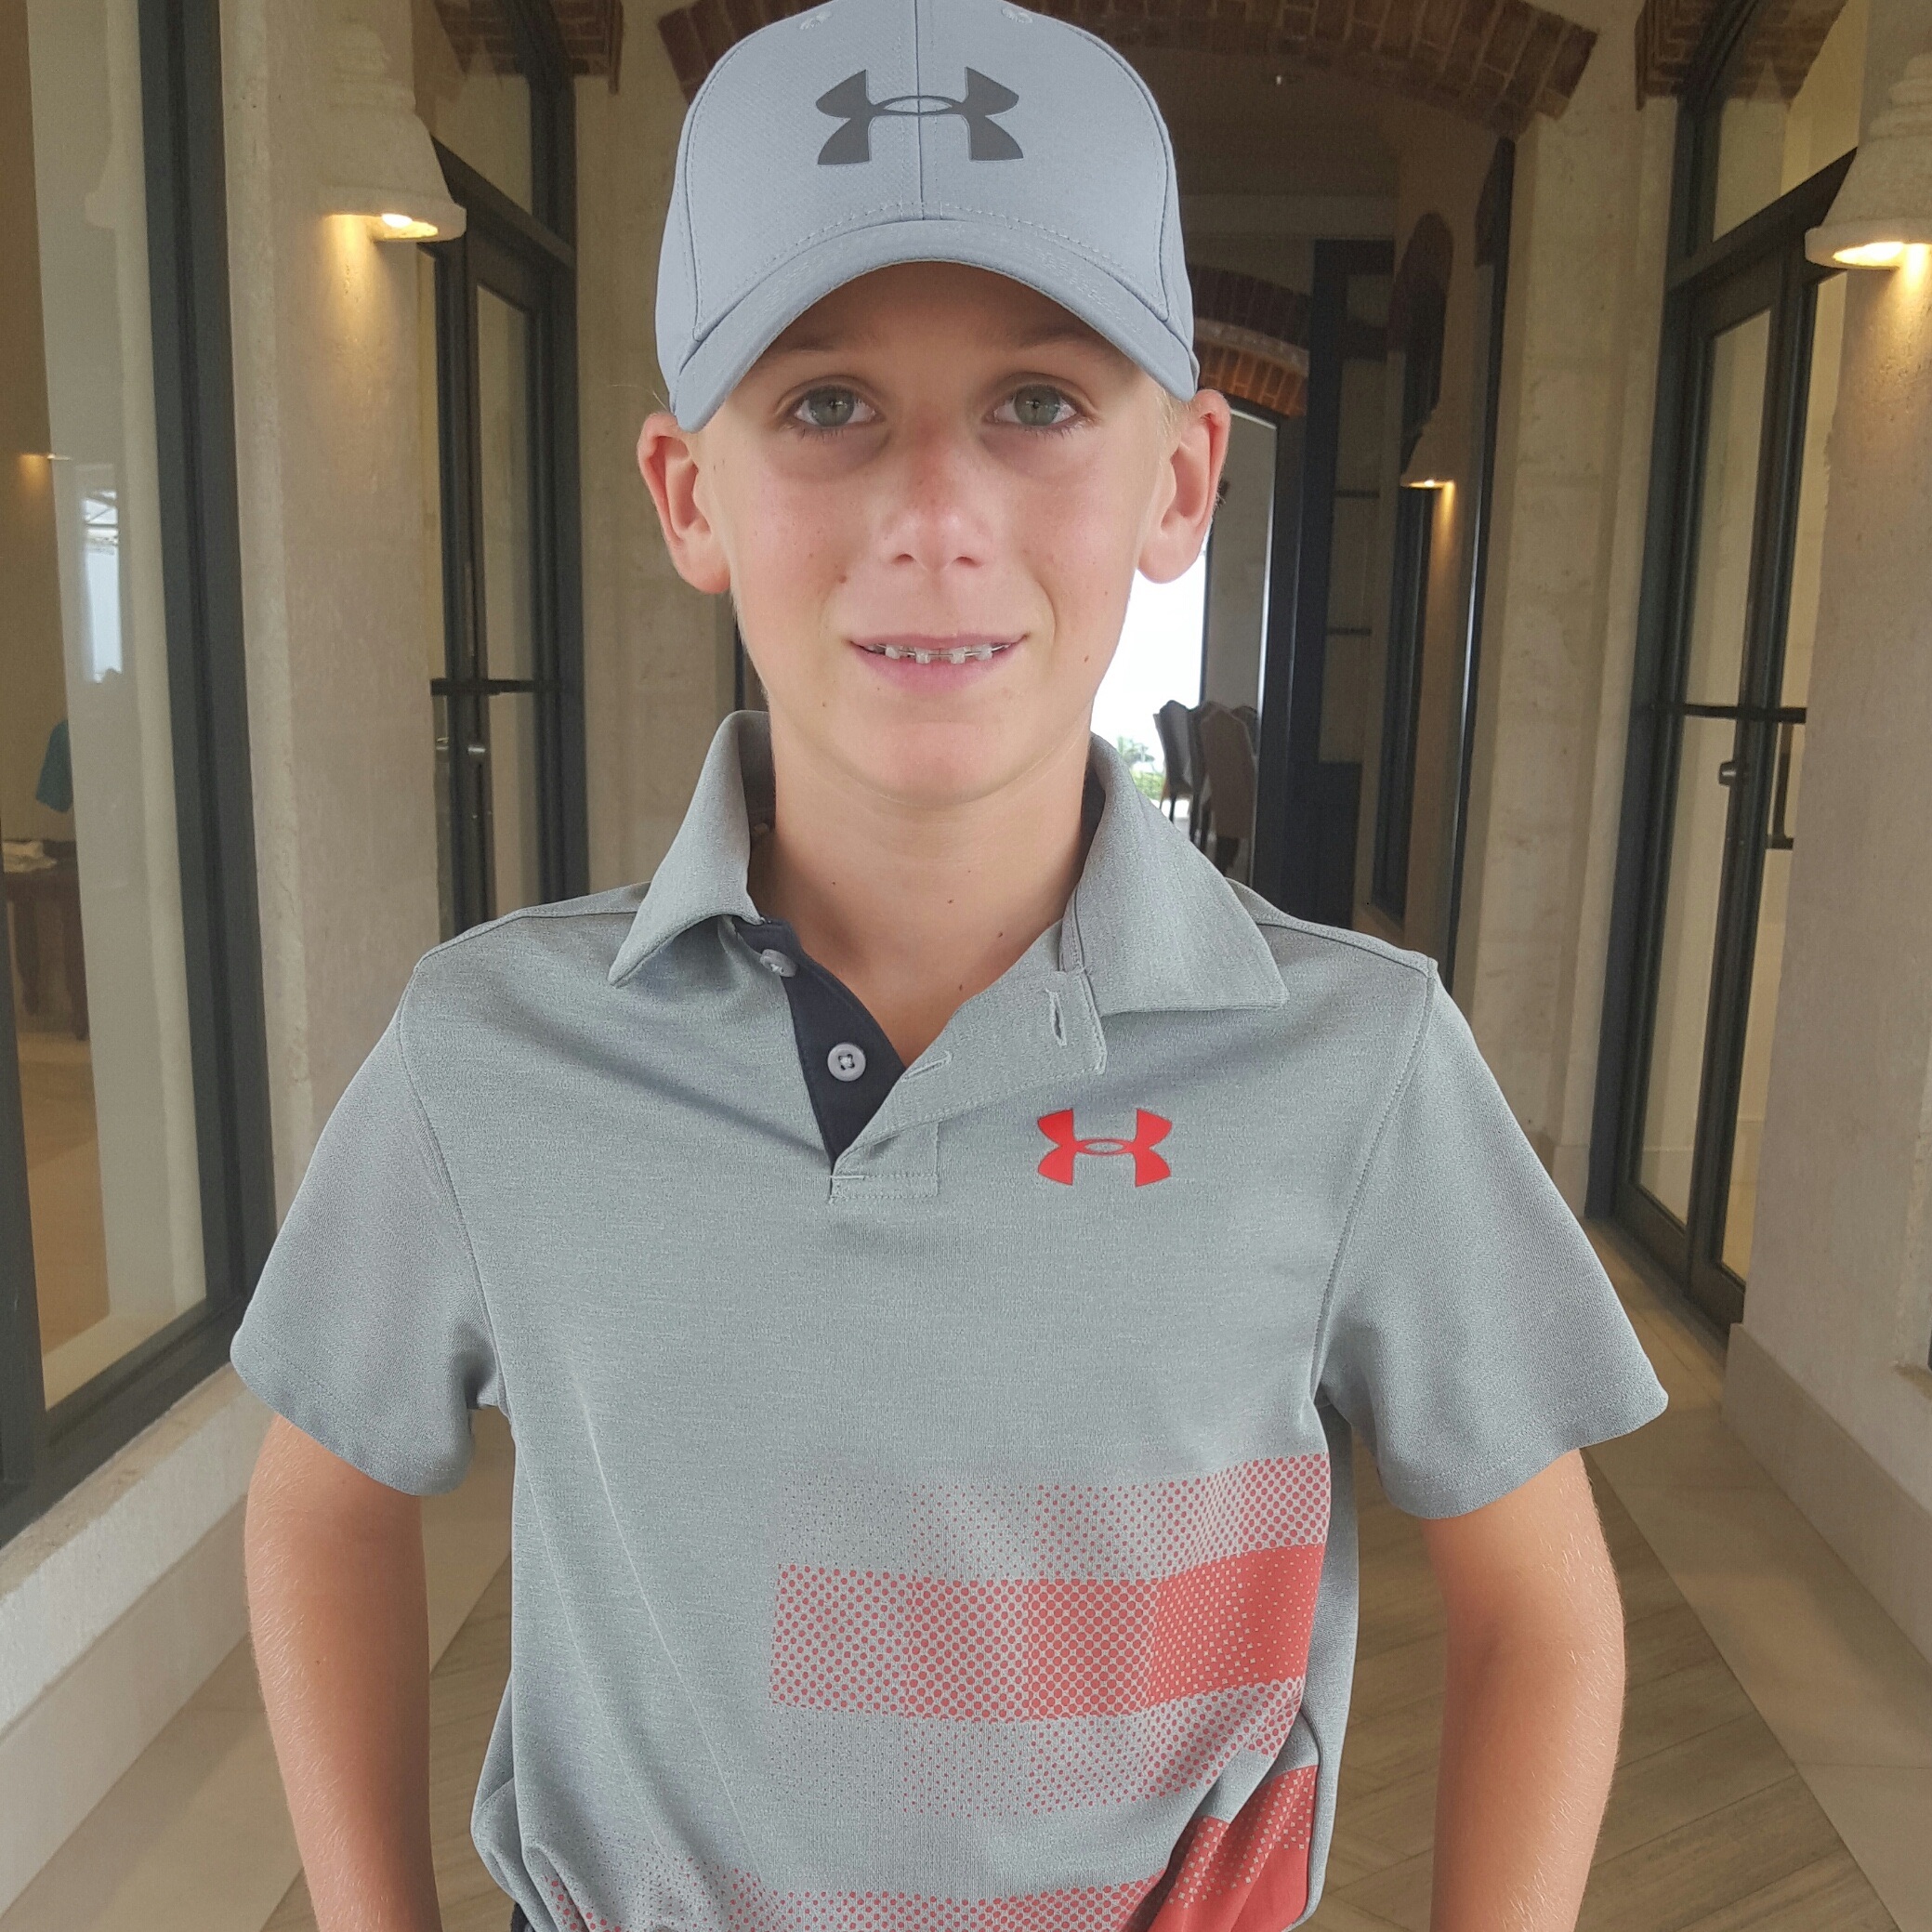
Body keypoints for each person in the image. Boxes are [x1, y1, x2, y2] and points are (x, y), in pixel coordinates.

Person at [233, 1, 1667, 1927]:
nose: (933, 518)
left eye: (1037, 405)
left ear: (1180, 481)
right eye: (826, 404)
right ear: (688, 493)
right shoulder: (491, 1053)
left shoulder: (1355, 1063)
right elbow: (321, 1497)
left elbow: (1539, 1611)